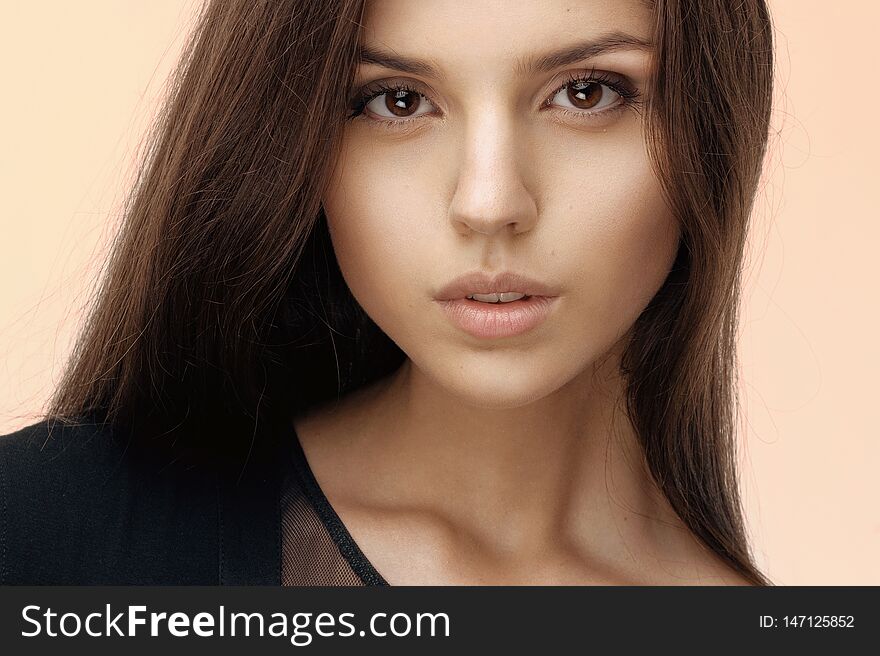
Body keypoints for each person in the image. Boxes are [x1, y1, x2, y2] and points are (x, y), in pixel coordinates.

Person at [0, 0, 775, 586]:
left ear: (713, 125)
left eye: (586, 92)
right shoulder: (41, 537)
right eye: (397, 100)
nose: (488, 201)